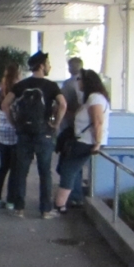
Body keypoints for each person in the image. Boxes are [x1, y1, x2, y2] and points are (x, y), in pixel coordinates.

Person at [1, 51, 67, 219]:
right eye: (48, 63)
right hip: (43, 133)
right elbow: (63, 105)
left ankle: (19, 208)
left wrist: (14, 123)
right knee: (45, 172)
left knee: (21, 171)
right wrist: (55, 124)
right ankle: (45, 210)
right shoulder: (51, 86)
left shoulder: (20, 85)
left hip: (24, 133)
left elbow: (5, 105)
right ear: (42, 66)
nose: (50, 66)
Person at [51, 70, 110, 216]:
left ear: (87, 81)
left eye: (79, 79)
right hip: (83, 140)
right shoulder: (91, 98)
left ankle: (60, 205)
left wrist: (97, 143)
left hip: (86, 142)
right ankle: (68, 200)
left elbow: (98, 122)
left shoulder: (95, 98)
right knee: (68, 169)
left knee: (68, 170)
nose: (77, 82)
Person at [0, 63, 20, 209]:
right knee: (15, 168)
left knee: (3, 166)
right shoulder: (17, 93)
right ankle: (11, 200)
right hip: (14, 134)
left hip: (1, 134)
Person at [59, 57, 85, 206]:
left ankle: (72, 195)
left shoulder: (68, 85)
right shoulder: (89, 85)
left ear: (69, 68)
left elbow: (63, 106)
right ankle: (75, 194)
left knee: (68, 164)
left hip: (70, 129)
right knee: (77, 165)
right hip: (84, 131)